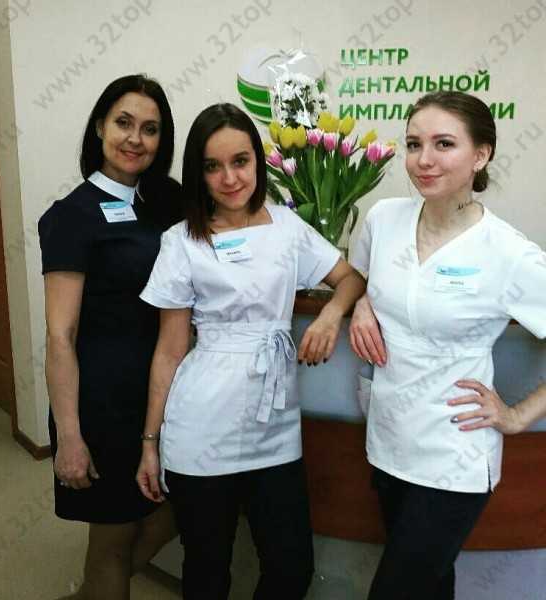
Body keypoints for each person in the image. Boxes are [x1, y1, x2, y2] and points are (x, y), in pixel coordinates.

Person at [135, 103, 367, 599]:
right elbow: (170, 350)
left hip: (275, 425)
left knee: (291, 568)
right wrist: (150, 443)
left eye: (240, 161)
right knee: (207, 572)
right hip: (202, 425)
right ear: (197, 173)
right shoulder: (181, 241)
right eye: (212, 166)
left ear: (258, 162)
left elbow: (349, 278)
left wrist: (330, 315)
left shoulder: (287, 227)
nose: (229, 178)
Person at [347, 91, 546, 600]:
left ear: (481, 154)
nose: (424, 159)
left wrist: (518, 415)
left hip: (454, 455)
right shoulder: (384, 219)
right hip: (389, 442)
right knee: (432, 586)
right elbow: (363, 278)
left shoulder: (508, 253)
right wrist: (363, 302)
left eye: (443, 144)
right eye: (414, 144)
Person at [38, 74, 182, 600]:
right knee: (114, 536)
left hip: (161, 394)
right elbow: (61, 336)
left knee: (177, 506)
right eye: (124, 123)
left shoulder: (163, 203)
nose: (135, 139)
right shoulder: (71, 217)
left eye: (150, 129)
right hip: (102, 402)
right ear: (100, 126)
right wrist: (70, 436)